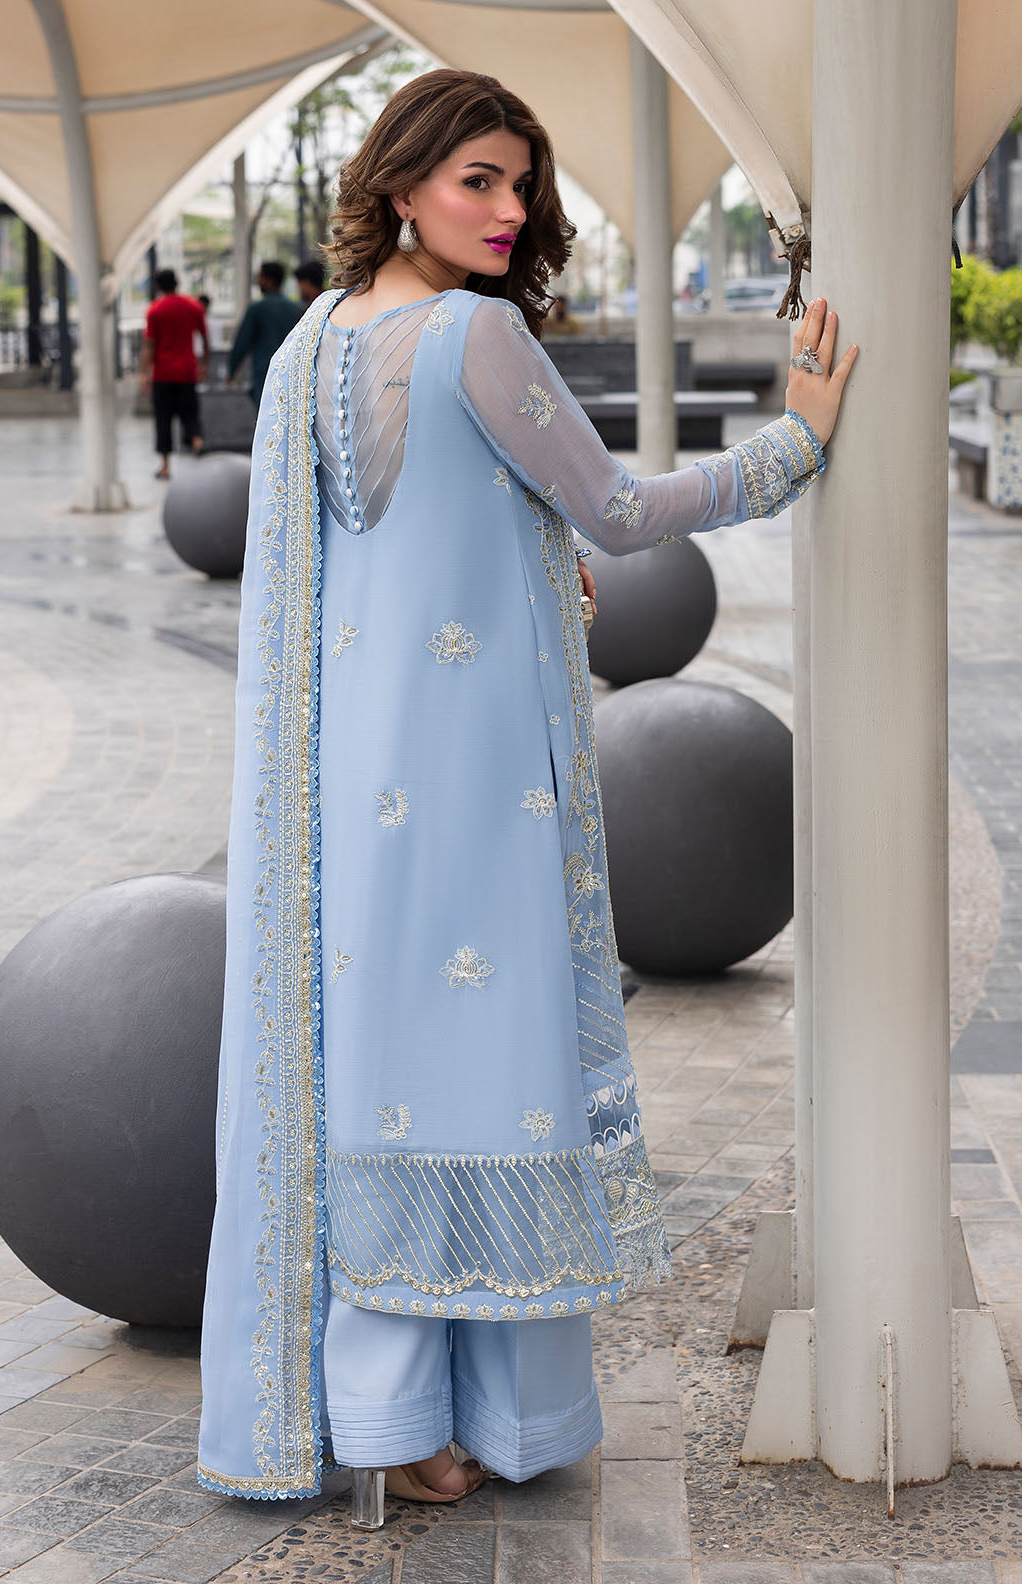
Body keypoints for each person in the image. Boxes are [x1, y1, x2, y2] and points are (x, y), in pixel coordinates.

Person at [198, 69, 856, 1516]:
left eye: (519, 185)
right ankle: (471, 1419)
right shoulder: (473, 334)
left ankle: (385, 1413)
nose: (505, 211)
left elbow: (402, 543)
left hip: (348, 781)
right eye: (476, 180)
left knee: (381, 1072)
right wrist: (791, 449)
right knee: (485, 1073)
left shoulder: (313, 342)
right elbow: (614, 511)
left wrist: (522, 565)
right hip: (473, 779)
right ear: (402, 183)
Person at [139, 268, 208, 480]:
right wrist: (203, 364)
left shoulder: (155, 309)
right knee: (190, 412)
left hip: (163, 373)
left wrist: (143, 373)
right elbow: (205, 338)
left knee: (163, 419)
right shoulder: (193, 306)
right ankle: (196, 441)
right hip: (187, 371)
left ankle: (165, 466)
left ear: (158, 286)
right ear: (177, 282)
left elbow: (149, 345)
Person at [226, 261, 301, 407]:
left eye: (260, 277)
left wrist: (232, 370)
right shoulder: (295, 309)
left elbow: (242, 342)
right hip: (291, 375)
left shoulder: (257, 309)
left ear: (269, 280)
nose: (258, 281)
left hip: (264, 374)